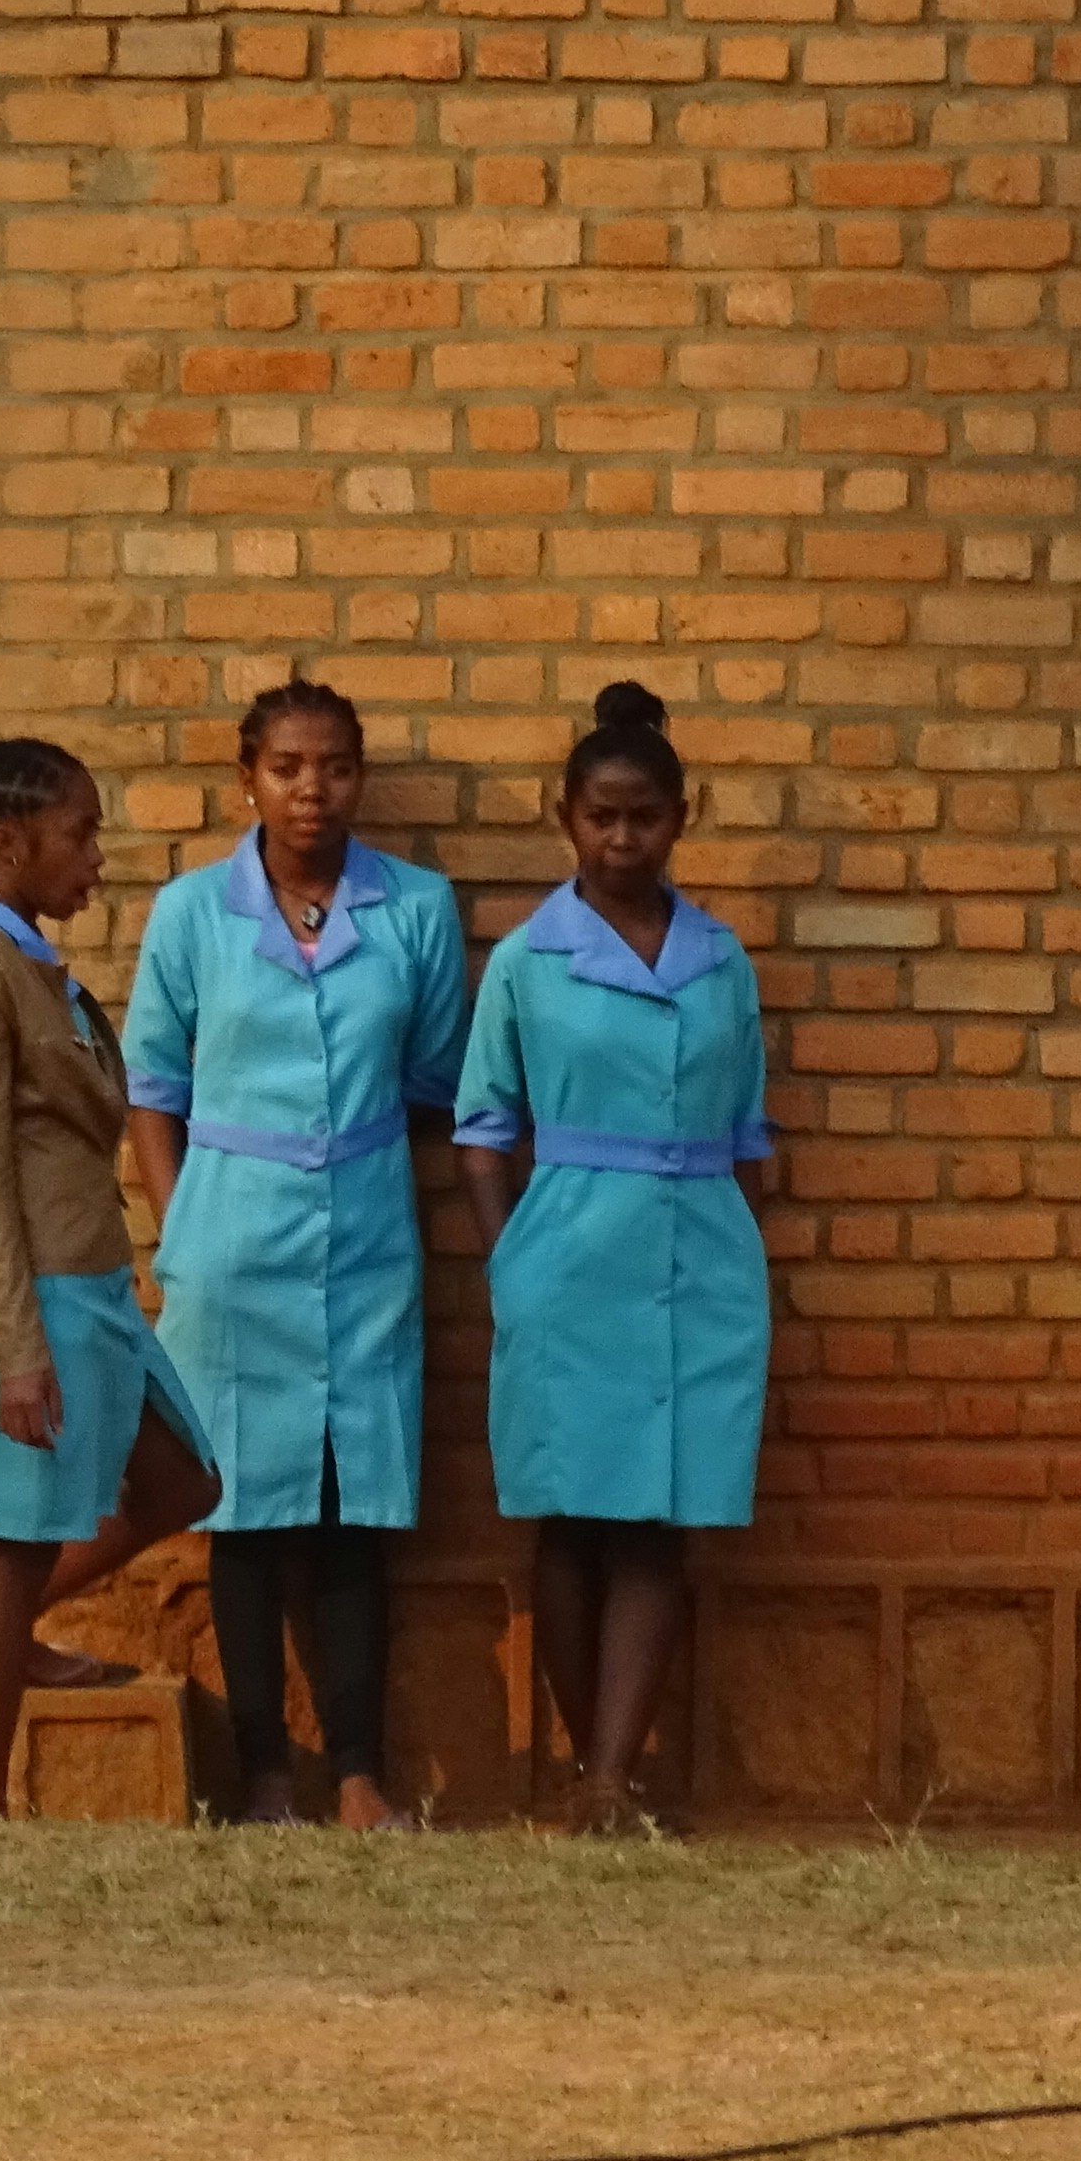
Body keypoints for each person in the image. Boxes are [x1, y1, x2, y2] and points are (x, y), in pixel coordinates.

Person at [122, 675, 471, 1829]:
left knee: (351, 1505)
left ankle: (359, 1772)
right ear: (248, 780)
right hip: (227, 1245)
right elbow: (152, 1090)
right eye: (287, 768)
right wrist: (181, 1229)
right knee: (243, 1511)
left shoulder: (416, 911)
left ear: (359, 777)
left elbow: (433, 1080)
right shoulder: (191, 915)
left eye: (334, 767)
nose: (311, 791)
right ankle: (266, 1771)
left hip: (365, 1241)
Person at [456, 678, 774, 1835]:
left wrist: (739, 1251)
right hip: (567, 1257)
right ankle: (579, 1770)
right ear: (566, 817)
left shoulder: (720, 962)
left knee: (659, 1515)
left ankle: (609, 1775)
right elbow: (484, 1127)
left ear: (682, 817)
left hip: (699, 1262)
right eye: (601, 816)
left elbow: (746, 1134)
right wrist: (511, 1268)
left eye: (645, 815)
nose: (622, 837)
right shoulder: (528, 962)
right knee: (569, 1514)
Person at [0, 733, 217, 1820]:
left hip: (92, 1288)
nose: (98, 857)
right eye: (80, 835)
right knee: (13, 1546)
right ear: (9, 842)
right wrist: (15, 1352)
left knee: (186, 1482)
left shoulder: (29, 961)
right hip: (34, 1294)